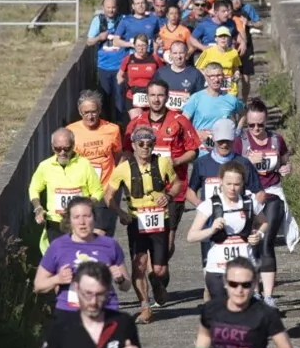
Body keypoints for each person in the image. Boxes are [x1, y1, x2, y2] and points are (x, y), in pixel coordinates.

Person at [105, 126, 180, 323]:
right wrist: (120, 213)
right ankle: (145, 308)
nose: (145, 148)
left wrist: (169, 195)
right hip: (136, 221)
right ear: (134, 146)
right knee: (139, 265)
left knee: (160, 270)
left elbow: (177, 184)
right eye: (141, 144)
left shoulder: (163, 163)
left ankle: (157, 282)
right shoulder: (123, 169)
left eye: (149, 144)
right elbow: (108, 197)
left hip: (159, 220)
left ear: (154, 145)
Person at [122, 79, 199, 267]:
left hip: (173, 189)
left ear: (167, 97)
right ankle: (154, 270)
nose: (156, 99)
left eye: (160, 95)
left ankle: (159, 268)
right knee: (148, 238)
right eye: (152, 95)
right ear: (147, 98)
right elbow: (126, 153)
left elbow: (194, 150)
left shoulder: (180, 121)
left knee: (168, 243)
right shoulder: (136, 123)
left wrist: (175, 162)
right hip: (144, 189)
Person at [235, 99, 292, 306]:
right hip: (249, 195)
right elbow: (231, 169)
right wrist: (249, 162)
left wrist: (287, 169)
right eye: (252, 125)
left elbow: (285, 160)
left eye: (260, 124)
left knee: (266, 241)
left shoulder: (276, 140)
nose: (256, 129)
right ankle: (255, 291)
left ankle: (268, 297)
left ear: (266, 121)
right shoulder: (240, 141)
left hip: (273, 193)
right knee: (252, 243)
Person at [33, 197, 130, 316]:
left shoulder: (109, 245)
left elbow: (126, 286)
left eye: (87, 216)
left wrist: (120, 279)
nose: (82, 222)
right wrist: (57, 279)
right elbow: (38, 285)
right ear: (70, 221)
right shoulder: (58, 246)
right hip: (71, 317)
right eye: (76, 217)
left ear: (94, 218)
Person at [186, 161, 266, 300]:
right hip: (217, 268)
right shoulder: (210, 204)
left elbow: (264, 223)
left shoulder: (250, 203)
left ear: (242, 184)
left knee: (242, 312)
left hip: (244, 267)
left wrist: (259, 234)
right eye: (228, 184)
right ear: (221, 181)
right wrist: (211, 229)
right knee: (223, 312)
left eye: (237, 184)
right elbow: (191, 236)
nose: (232, 188)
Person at [28, 128, 104, 252]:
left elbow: (97, 191)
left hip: (79, 222)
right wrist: (38, 208)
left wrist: (86, 206)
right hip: (55, 222)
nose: (62, 152)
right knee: (60, 259)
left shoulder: (84, 164)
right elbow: (34, 188)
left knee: (79, 258)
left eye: (66, 148)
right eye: (58, 149)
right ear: (52, 147)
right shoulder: (45, 166)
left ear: (73, 146)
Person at [68, 91, 124, 238]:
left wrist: (116, 180)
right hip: (82, 191)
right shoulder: (71, 131)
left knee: (100, 233)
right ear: (80, 112)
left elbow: (118, 155)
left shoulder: (112, 130)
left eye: (94, 112)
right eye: (86, 112)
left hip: (104, 190)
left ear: (99, 110)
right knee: (82, 234)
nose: (90, 116)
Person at [187, 120, 262, 207]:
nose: (224, 145)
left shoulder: (244, 163)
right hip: (210, 219)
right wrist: (202, 207)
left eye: (228, 141)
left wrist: (249, 210)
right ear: (214, 139)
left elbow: (260, 193)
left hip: (238, 218)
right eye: (220, 141)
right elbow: (190, 191)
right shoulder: (201, 163)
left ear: (234, 139)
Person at [181, 65, 245, 152]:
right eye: (212, 76)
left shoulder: (231, 99)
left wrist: (237, 132)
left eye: (219, 75)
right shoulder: (196, 98)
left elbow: (243, 114)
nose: (216, 79)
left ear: (223, 76)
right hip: (202, 152)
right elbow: (183, 122)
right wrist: (197, 133)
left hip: (224, 151)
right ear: (206, 77)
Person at [86, 0, 125, 120]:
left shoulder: (123, 20)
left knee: (119, 97)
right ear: (103, 8)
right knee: (105, 97)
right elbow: (89, 42)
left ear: (117, 8)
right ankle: (107, 122)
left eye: (113, 7)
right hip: (104, 66)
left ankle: (119, 124)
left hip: (120, 66)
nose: (111, 10)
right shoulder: (98, 20)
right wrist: (99, 38)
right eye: (108, 7)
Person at [117, 33, 162, 122]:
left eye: (143, 46)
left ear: (148, 45)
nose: (141, 49)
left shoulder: (154, 58)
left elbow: (163, 74)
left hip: (150, 95)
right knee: (138, 122)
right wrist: (121, 84)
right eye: (138, 46)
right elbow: (119, 75)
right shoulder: (128, 59)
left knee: (151, 123)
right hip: (133, 95)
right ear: (134, 46)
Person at [153, 40, 204, 112]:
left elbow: (202, 97)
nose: (178, 56)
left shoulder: (196, 73)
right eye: (175, 53)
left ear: (186, 54)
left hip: (187, 116)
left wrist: (192, 98)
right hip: (165, 116)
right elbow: (153, 94)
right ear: (170, 54)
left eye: (181, 53)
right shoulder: (161, 73)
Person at [195, 27, 244, 98]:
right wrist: (208, 77)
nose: (223, 38)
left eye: (226, 36)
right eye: (220, 36)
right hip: (213, 83)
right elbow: (199, 67)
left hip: (228, 84)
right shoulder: (208, 52)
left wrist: (237, 74)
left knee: (229, 105)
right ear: (216, 38)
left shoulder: (234, 53)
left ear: (229, 38)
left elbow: (236, 67)